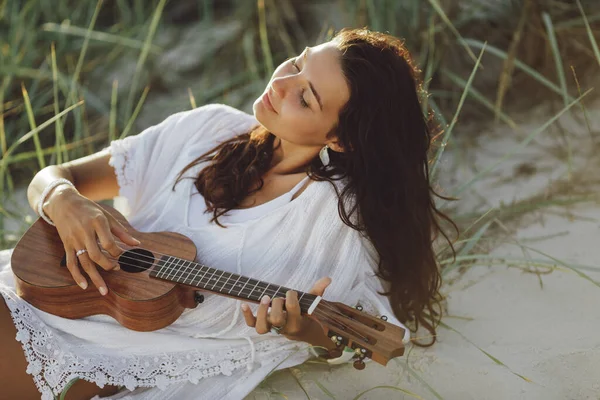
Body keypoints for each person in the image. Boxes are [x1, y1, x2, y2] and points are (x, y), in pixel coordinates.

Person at [0, 28, 454, 400]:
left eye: (306, 97)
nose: (279, 84)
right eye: (296, 62)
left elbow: (354, 323)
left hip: (123, 350)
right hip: (55, 288)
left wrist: (302, 330)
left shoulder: (331, 217)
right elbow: (55, 176)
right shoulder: (207, 129)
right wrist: (62, 198)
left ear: (341, 141)